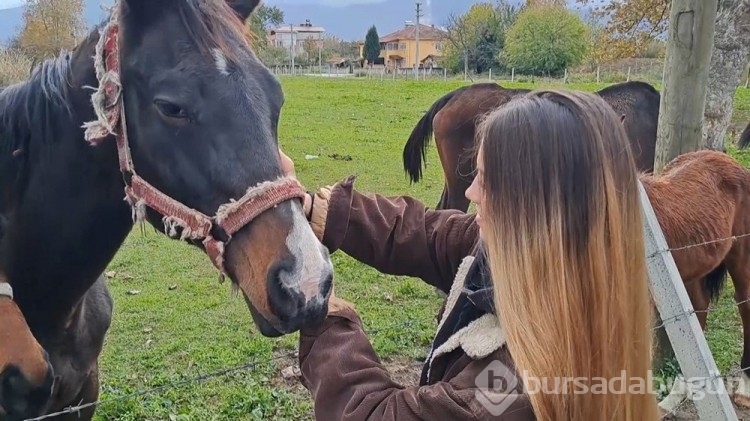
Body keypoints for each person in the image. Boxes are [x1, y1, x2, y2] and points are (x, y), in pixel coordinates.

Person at [280, 89, 660, 420]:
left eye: (487, 180)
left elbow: (376, 414)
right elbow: (432, 235)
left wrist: (322, 308)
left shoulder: (506, 389)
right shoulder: (579, 270)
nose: (471, 193)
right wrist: (328, 212)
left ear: (532, 209)